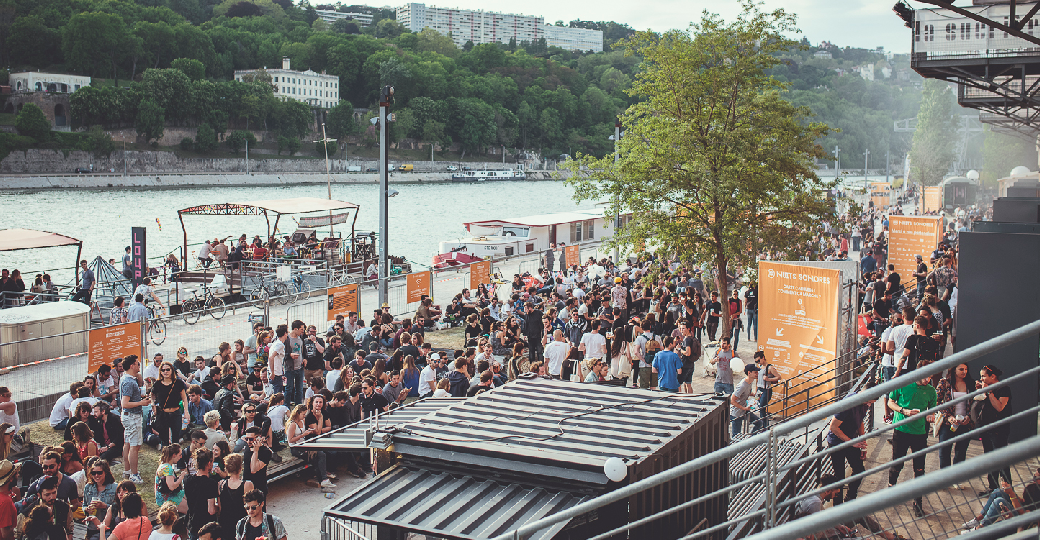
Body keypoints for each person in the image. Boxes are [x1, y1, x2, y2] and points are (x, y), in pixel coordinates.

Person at [887, 362, 937, 517]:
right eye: (926, 375)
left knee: (919, 468)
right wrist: (904, 411)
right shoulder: (904, 383)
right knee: (897, 463)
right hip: (901, 430)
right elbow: (890, 402)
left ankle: (918, 503)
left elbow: (932, 410)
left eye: (930, 375)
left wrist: (931, 416)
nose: (928, 379)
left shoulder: (931, 391)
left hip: (920, 433)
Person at [827, 390, 874, 505]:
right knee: (840, 477)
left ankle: (850, 498)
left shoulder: (864, 403)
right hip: (837, 443)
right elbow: (833, 427)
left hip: (851, 440)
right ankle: (838, 508)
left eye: (871, 403)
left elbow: (860, 421)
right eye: (869, 402)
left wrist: (863, 443)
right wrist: (851, 442)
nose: (869, 405)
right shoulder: (848, 403)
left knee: (859, 470)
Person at [975, 365, 1012, 494]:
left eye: (983, 376)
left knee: (1001, 459)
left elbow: (999, 407)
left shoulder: (1004, 389)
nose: (981, 379)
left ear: (993, 376)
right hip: (986, 428)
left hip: (999, 430)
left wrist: (989, 392)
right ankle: (993, 488)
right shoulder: (986, 388)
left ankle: (1007, 489)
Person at [935, 363, 974, 479]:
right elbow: (937, 402)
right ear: (954, 370)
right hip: (948, 423)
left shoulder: (971, 383)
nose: (964, 372)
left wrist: (969, 416)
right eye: (961, 369)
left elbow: (976, 403)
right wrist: (948, 417)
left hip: (965, 423)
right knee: (944, 452)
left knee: (961, 452)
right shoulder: (944, 382)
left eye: (966, 369)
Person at [793, 474, 854, 540]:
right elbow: (816, 533)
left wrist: (839, 526)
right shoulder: (815, 503)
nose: (835, 496)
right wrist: (836, 531)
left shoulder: (813, 495)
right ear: (827, 491)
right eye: (835, 494)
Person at [119, 356, 149, 484]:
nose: (139, 366)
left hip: (128, 417)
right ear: (132, 365)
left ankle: (127, 470)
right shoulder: (129, 382)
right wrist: (141, 403)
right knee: (134, 446)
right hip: (132, 417)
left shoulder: (126, 379)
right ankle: (134, 474)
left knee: (128, 443)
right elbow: (124, 403)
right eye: (137, 364)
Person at [151, 361, 189, 449]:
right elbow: (152, 395)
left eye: (168, 369)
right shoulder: (157, 384)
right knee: (164, 440)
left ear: (172, 370)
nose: (165, 372)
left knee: (175, 438)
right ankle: (165, 459)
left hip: (176, 413)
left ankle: (175, 460)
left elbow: (184, 398)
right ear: (160, 372)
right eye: (163, 370)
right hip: (163, 414)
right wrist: (153, 404)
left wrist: (186, 411)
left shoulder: (178, 383)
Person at [299, 401, 336, 488]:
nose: (318, 404)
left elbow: (329, 427)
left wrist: (321, 428)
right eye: (316, 402)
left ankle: (325, 477)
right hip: (306, 444)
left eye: (320, 402)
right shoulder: (309, 417)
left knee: (331, 451)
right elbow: (318, 432)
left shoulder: (324, 413)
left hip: (312, 441)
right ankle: (323, 479)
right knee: (320, 454)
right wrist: (320, 419)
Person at [184, 449, 219, 539]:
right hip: (206, 527)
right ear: (209, 463)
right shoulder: (211, 483)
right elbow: (211, 510)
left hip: (192, 522)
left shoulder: (187, 479)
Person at [217, 454, 253, 537]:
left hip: (225, 523)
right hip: (242, 523)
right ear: (240, 468)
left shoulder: (220, 484)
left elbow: (220, 508)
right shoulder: (247, 485)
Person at [154, 444, 187, 513]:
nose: (181, 457)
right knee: (190, 509)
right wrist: (181, 478)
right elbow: (171, 486)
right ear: (174, 455)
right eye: (179, 455)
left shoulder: (164, 465)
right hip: (167, 499)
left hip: (165, 495)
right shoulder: (167, 468)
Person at [730, 364, 760, 436]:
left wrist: (754, 395)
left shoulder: (750, 382)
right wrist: (743, 408)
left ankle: (749, 439)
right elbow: (732, 400)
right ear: (749, 373)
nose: (757, 374)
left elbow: (747, 393)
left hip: (744, 410)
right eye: (755, 372)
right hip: (736, 413)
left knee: (759, 423)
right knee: (736, 435)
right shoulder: (742, 385)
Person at [242, 426, 272, 494]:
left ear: (258, 438)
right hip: (247, 486)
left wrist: (256, 451)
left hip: (259, 488)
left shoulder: (265, 452)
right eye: (246, 439)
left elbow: (253, 469)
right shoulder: (248, 447)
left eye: (251, 439)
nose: (248, 441)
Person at [0, 460, 17, 540]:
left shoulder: (6, 496)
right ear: (10, 478)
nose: (18, 475)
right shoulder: (5, 501)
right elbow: (6, 534)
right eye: (15, 474)